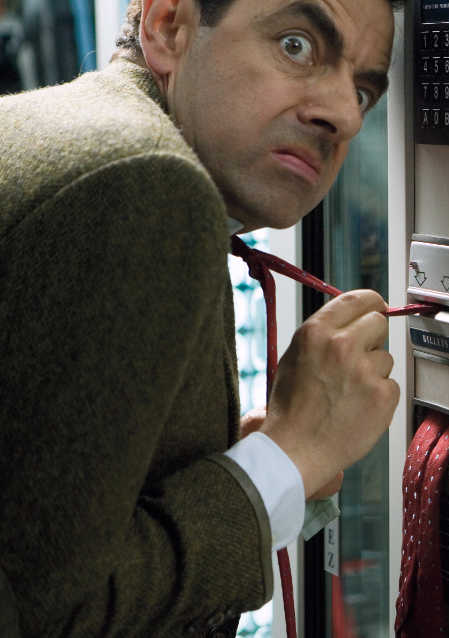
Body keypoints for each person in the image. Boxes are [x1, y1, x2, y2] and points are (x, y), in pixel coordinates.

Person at [0, 0, 400, 635]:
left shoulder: (64, 132)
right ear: (168, 26)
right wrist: (288, 455)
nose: (345, 116)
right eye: (296, 46)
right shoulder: (145, 182)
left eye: (362, 92)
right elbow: (53, 617)